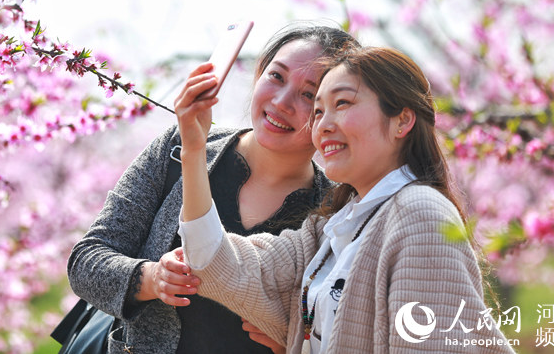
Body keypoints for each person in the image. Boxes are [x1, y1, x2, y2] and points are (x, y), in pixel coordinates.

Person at [175, 46, 517, 353]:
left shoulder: (420, 215)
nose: (322, 126)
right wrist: (194, 150)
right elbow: (215, 264)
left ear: (402, 120)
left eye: (342, 103)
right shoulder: (332, 230)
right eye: (319, 111)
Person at [67, 23, 358, 354]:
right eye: (276, 76)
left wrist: (294, 344)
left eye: (308, 94)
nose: (281, 101)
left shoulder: (340, 211)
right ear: (259, 73)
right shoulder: (178, 150)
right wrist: (151, 278)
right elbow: (85, 262)